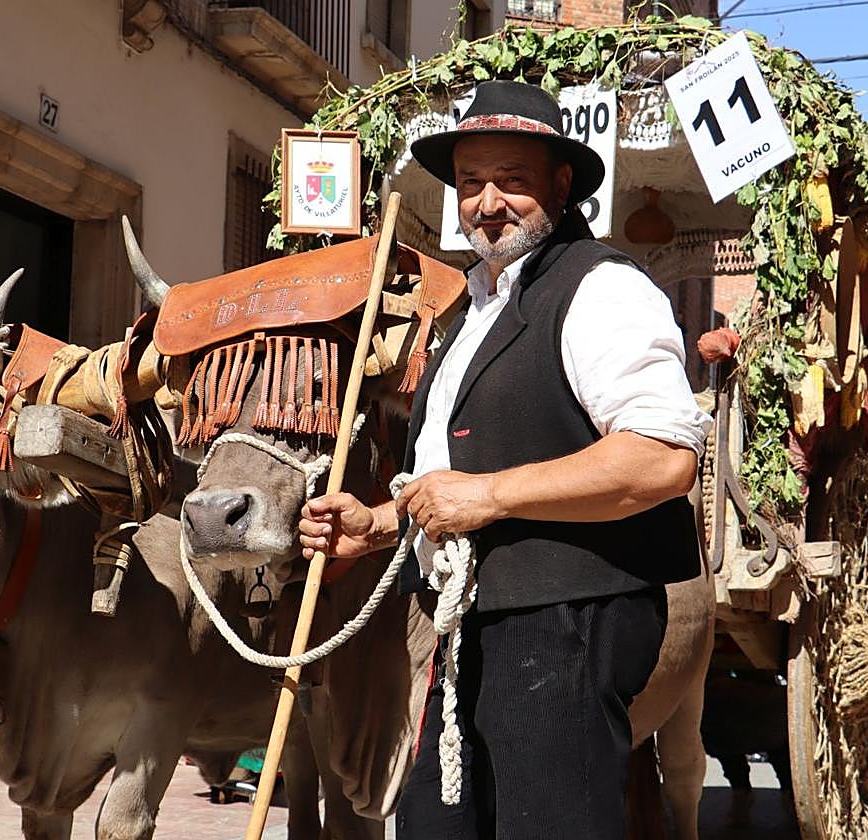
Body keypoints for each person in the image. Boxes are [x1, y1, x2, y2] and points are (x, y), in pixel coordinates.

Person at [298, 80, 709, 838]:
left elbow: (660, 460)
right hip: (464, 633)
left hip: (564, 626)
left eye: (511, 181)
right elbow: (453, 477)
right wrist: (379, 526)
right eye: (469, 183)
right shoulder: (473, 312)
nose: (487, 202)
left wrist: (489, 497)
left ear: (561, 184)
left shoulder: (603, 289)